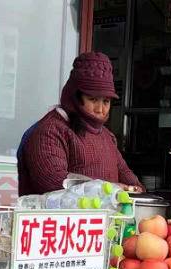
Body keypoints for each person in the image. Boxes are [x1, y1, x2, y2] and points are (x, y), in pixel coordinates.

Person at [17, 52, 144, 196]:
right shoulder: (49, 131)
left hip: (105, 218)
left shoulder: (107, 136)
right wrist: (111, 188)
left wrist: (135, 188)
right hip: (63, 218)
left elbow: (130, 179)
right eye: (93, 99)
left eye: (106, 101)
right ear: (75, 97)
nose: (100, 109)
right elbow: (53, 182)